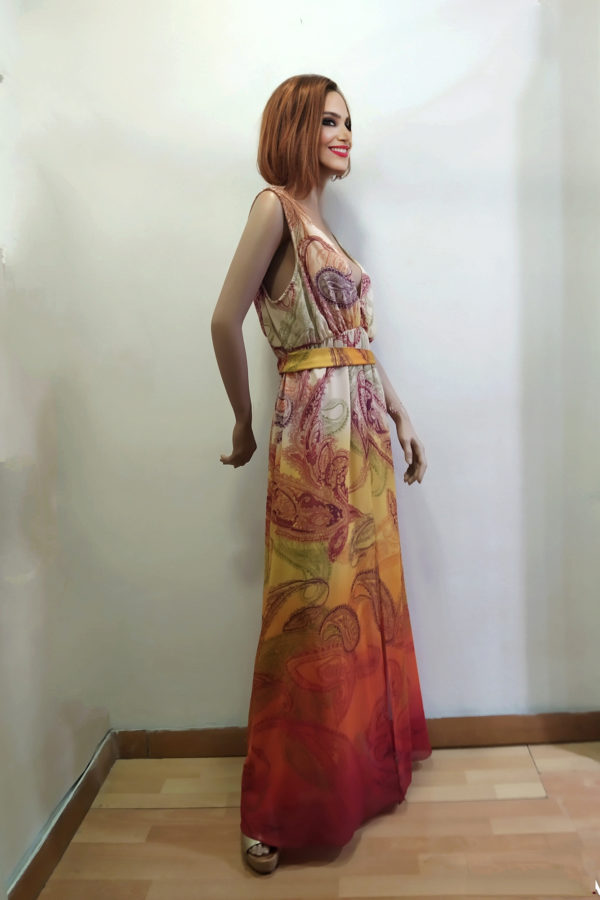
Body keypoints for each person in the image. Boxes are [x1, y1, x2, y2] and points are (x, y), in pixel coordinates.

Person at [211, 74, 432, 876]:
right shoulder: (273, 209)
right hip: (314, 437)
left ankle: (359, 776)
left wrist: (400, 412)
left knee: (363, 601)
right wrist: (242, 419)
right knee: (308, 618)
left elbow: (357, 343)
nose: (344, 134)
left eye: (349, 123)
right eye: (329, 120)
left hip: (363, 432)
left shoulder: (323, 225)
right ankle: (277, 809)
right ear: (295, 127)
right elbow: (223, 320)